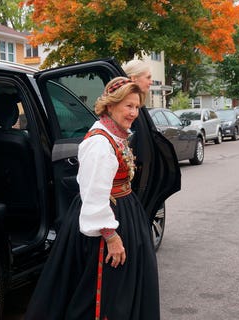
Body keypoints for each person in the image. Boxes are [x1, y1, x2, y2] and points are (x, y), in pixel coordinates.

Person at [24, 77, 160, 320]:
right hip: (105, 222)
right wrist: (110, 235)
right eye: (128, 106)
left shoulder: (116, 134)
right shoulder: (99, 142)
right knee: (102, 294)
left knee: (121, 288)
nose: (133, 113)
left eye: (137, 107)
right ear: (111, 105)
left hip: (124, 213)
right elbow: (95, 194)